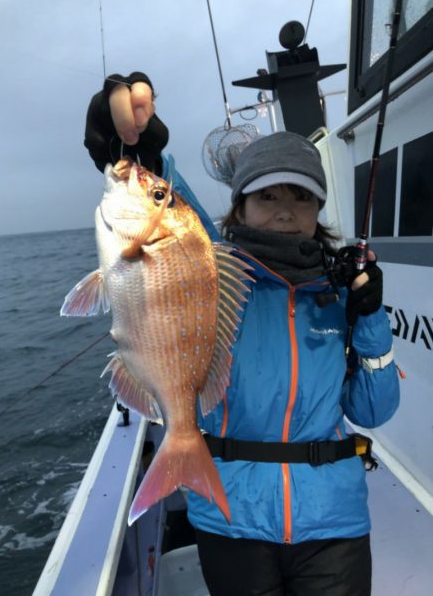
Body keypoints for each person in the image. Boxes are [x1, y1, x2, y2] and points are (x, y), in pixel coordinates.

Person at [85, 72, 400, 596]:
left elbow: (374, 411)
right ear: (240, 207)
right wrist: (136, 144)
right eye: (266, 195)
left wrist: (369, 320)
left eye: (300, 197)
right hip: (232, 515)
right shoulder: (214, 269)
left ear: (318, 209)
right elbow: (167, 215)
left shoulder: (340, 291)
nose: (283, 210)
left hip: (334, 522)